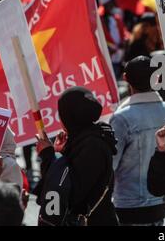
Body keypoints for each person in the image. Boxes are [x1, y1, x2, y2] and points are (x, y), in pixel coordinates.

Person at [35, 86, 119, 226]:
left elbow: (68, 194)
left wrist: (48, 155)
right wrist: (61, 151)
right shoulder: (84, 139)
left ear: (69, 116)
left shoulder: (92, 146)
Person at [110, 56, 165, 226]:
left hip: (127, 205)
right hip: (159, 202)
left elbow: (110, 165)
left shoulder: (122, 118)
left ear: (125, 78)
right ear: (157, 78)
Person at [99, 0, 130, 80]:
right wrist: (108, 47)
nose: (113, 5)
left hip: (120, 55)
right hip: (108, 56)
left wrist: (125, 39)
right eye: (111, 3)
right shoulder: (99, 19)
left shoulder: (116, 17)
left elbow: (124, 31)